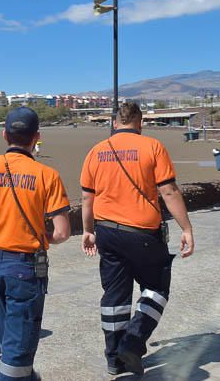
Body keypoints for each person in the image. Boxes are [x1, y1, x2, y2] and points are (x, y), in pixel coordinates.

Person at [79, 102, 195, 376]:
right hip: (143, 233)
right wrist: (186, 228)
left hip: (107, 232)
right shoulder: (152, 147)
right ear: (140, 123)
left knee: (115, 297)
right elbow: (168, 191)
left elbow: (87, 197)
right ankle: (132, 341)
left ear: (114, 123)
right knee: (156, 288)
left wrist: (88, 230)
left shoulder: (96, 151)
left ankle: (114, 359)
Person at [0, 107, 72, 381]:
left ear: (4, 134)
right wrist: (40, 238)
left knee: (7, 333)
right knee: (18, 344)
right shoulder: (47, 175)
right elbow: (63, 232)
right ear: (36, 137)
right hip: (25, 265)